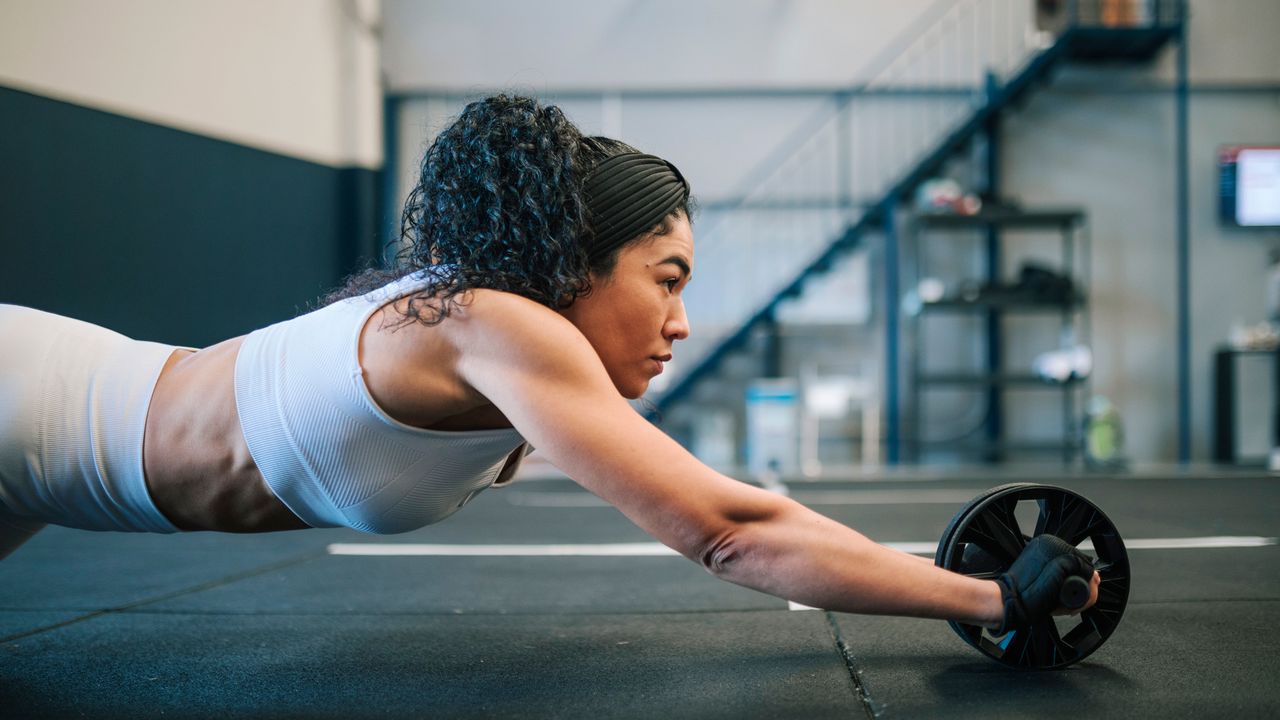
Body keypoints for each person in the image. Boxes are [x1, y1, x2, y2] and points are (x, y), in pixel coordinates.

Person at [0, 94, 1097, 634]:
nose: (680, 319)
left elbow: (748, 507)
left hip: (48, 447)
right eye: (664, 278)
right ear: (573, 263)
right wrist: (990, 597)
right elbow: (728, 535)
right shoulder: (492, 324)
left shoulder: (486, 333)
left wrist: (953, 581)